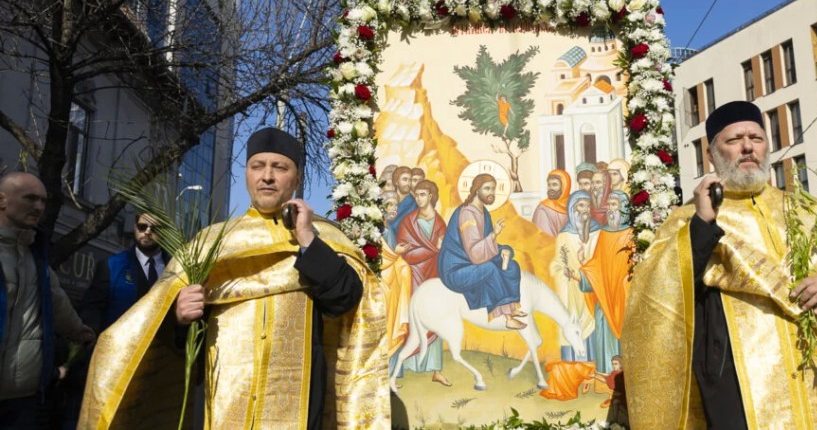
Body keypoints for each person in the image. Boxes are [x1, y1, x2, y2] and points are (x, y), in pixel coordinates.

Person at [80, 128, 388, 428]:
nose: (267, 176)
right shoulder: (213, 242)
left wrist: (307, 238)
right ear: (247, 175)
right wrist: (179, 317)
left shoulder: (322, 238)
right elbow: (171, 341)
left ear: (296, 178)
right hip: (222, 402)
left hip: (298, 409)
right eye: (258, 166)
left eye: (279, 168)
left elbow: (345, 301)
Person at [622, 100, 817, 429]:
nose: (747, 148)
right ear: (711, 155)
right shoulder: (688, 218)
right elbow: (654, 297)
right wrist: (702, 225)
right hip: (737, 380)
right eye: (734, 140)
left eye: (756, 139)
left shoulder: (808, 212)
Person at [0, 172, 94, 428]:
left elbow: (58, 302)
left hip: (23, 401)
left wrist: (79, 331)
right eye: (30, 198)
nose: (39, 207)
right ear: (2, 200)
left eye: (43, 200)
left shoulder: (37, 258)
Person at [438, 173, 525, 330]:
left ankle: (512, 306)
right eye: (487, 188)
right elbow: (476, 254)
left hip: (470, 262)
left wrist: (504, 250)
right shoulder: (467, 214)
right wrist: (494, 234)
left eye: (493, 189)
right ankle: (508, 317)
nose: (491, 192)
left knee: (512, 266)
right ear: (476, 190)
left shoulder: (483, 212)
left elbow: (487, 247)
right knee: (490, 269)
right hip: (456, 269)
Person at [393, 179, 451, 386]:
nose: (419, 198)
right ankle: (409, 365)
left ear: (431, 196)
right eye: (417, 195)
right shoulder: (408, 221)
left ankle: (435, 369)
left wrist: (437, 251)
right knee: (415, 317)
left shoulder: (439, 222)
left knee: (434, 318)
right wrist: (433, 250)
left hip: (434, 275)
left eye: (423, 194)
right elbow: (406, 253)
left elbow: (445, 249)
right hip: (414, 275)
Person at [80, 213, 170, 333]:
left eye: (155, 228)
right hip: (119, 347)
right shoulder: (111, 266)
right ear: (134, 227)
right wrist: (91, 331)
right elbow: (92, 308)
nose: (147, 232)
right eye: (142, 227)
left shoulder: (176, 269)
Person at [577, 191, 631, 373]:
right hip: (606, 296)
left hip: (625, 296)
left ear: (623, 208)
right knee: (603, 325)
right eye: (608, 205)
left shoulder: (632, 234)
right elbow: (598, 265)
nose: (610, 209)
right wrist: (584, 267)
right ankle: (606, 380)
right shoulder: (604, 234)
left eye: (614, 205)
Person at [551, 191, 599, 361]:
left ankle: (593, 364)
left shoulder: (597, 232)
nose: (585, 210)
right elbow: (557, 263)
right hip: (571, 288)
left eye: (588, 205)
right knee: (571, 320)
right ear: (573, 208)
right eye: (581, 205)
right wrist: (563, 274)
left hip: (591, 286)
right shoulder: (564, 234)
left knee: (592, 321)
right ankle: (572, 363)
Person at [531, 170, 571, 238]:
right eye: (549, 185)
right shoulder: (543, 209)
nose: (551, 188)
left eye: (554, 185)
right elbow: (546, 239)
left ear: (564, 186)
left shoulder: (572, 204)